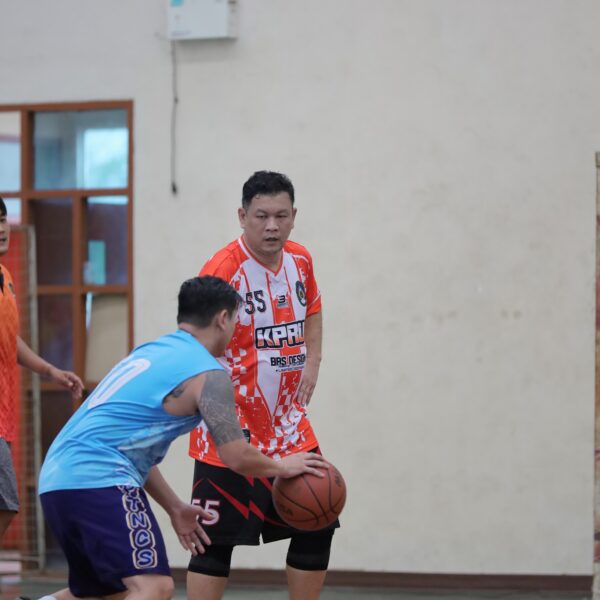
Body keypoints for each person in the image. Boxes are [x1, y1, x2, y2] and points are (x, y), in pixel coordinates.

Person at [36, 275, 326, 600]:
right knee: (154, 587)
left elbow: (127, 448)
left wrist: (174, 506)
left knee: (106, 593)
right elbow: (235, 455)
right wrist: (284, 466)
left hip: (57, 481)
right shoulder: (208, 374)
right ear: (222, 318)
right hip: (98, 479)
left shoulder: (151, 352)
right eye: (236, 320)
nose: (236, 329)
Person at [187, 171, 335, 600]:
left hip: (289, 425)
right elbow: (192, 346)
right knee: (214, 542)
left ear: (294, 216)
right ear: (242, 216)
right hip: (231, 426)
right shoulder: (222, 271)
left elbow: (313, 309)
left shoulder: (301, 260)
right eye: (262, 216)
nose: (272, 226)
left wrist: (313, 359)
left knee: (318, 519)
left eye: (281, 216)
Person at [0, 196, 83, 540]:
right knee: (6, 503)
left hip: (4, 415)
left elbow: (10, 337)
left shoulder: (5, 277)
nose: (1, 228)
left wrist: (50, 370)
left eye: (2, 219)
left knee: (5, 504)